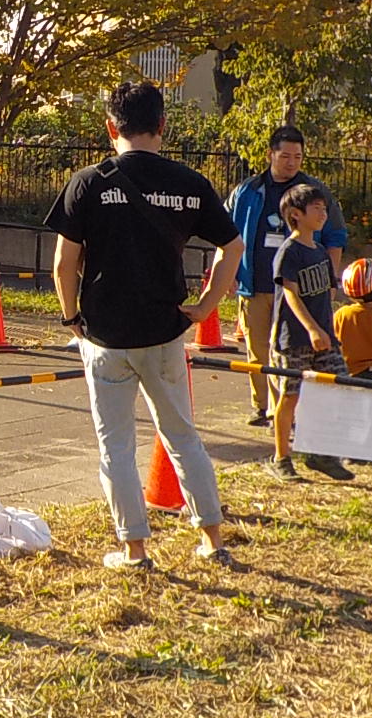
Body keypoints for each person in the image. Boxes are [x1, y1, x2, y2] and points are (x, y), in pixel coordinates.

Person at [46, 81, 245, 571]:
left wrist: (72, 315)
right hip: (165, 331)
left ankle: (134, 549)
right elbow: (233, 247)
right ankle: (212, 539)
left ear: (111, 127)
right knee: (183, 437)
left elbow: (63, 264)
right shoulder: (189, 182)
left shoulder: (88, 182)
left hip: (105, 334)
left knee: (115, 445)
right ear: (162, 126)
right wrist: (204, 307)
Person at [226, 126, 347, 429]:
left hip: (301, 290)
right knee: (258, 349)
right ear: (271, 154)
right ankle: (262, 407)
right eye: (285, 156)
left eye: (298, 156)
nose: (292, 162)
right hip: (255, 284)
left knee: (292, 349)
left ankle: (290, 410)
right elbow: (226, 232)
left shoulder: (315, 193)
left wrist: (330, 279)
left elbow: (335, 236)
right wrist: (226, 272)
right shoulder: (249, 191)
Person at [264, 184, 353, 482]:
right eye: (316, 208)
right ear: (295, 215)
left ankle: (321, 453)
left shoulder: (322, 253)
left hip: (325, 337)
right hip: (293, 339)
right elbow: (291, 295)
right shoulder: (289, 252)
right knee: (290, 396)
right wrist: (312, 329)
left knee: (336, 387)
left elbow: (327, 295)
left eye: (324, 208)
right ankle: (281, 457)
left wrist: (327, 329)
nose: (323, 214)